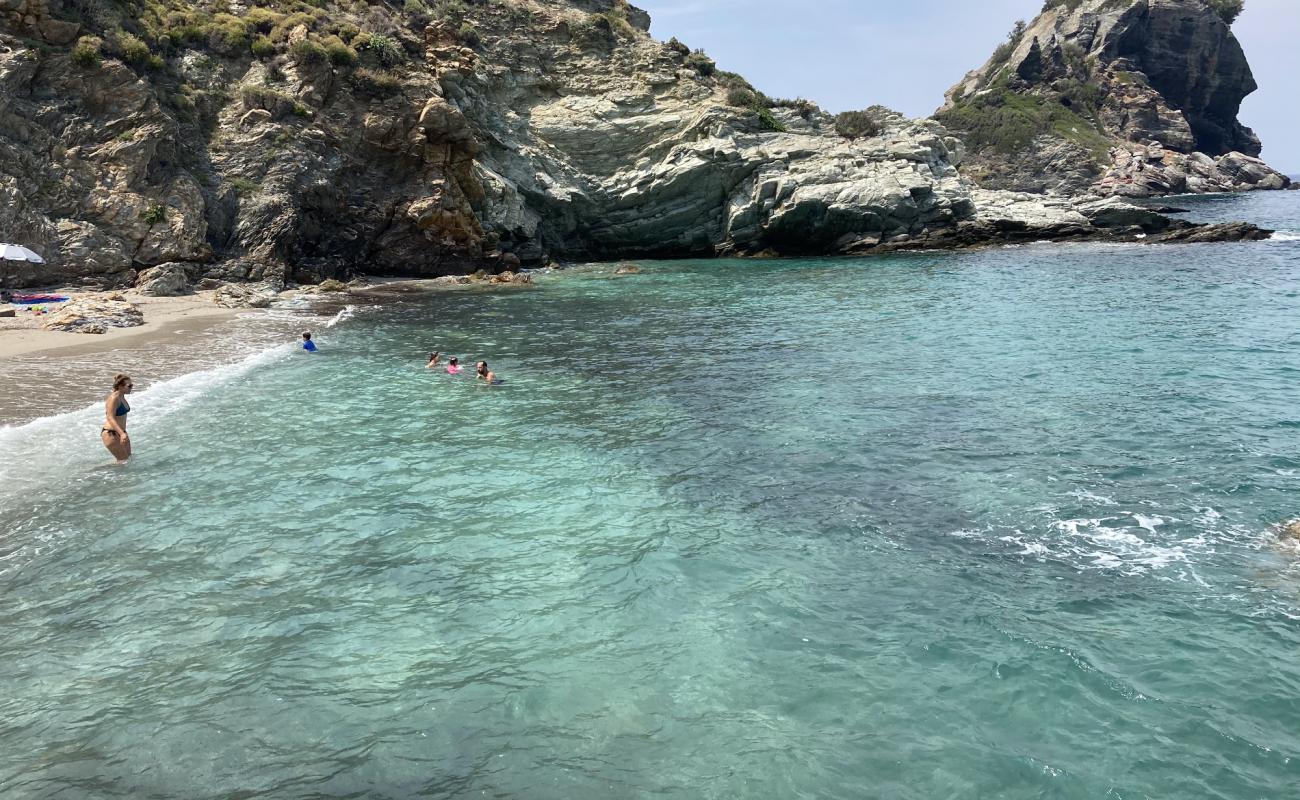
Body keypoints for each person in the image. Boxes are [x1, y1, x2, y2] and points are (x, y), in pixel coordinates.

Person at [100, 373, 133, 464]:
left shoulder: (121, 396)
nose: (131, 388)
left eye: (132, 385)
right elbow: (110, 417)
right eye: (129, 386)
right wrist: (122, 434)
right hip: (111, 433)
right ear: (120, 386)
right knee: (123, 461)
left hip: (121, 432)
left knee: (129, 459)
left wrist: (123, 433)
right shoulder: (114, 398)